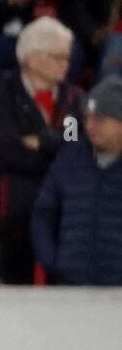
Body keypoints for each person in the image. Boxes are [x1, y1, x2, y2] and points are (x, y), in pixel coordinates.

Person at [0, 17, 82, 284]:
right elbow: (7, 151)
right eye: (58, 57)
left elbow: (75, 146)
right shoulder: (3, 98)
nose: (66, 64)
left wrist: (42, 142)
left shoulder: (73, 101)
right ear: (32, 59)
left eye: (67, 57)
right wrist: (55, 149)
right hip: (16, 206)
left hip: (65, 207)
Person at [32, 75, 122, 286]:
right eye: (87, 117)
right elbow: (42, 213)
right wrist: (53, 262)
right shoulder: (70, 157)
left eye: (99, 119)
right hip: (70, 287)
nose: (89, 125)